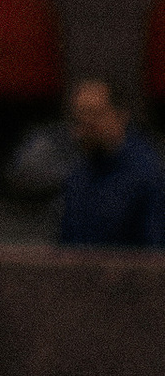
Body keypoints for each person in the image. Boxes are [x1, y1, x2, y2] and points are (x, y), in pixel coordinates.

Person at [56, 78, 165, 248]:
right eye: (79, 116)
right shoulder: (78, 175)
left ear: (121, 115)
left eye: (94, 114)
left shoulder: (146, 175)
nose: (85, 125)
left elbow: (153, 255)